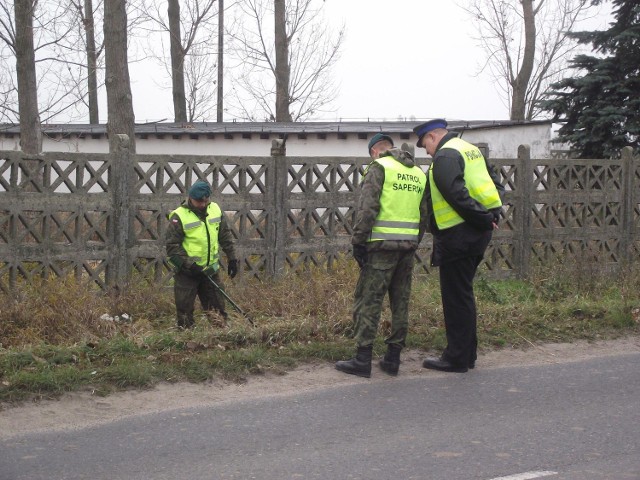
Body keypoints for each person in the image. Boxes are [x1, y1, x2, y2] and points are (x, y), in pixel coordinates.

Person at [413, 119, 504, 372]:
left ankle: (456, 358)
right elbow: (495, 183)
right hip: (475, 233)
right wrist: (493, 213)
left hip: (459, 235)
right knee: (464, 295)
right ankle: (467, 354)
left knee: (456, 298)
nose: (427, 152)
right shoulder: (470, 149)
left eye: (425, 146)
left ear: (432, 137)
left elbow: (455, 194)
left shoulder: (445, 156)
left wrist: (483, 217)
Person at [335, 133, 428, 378]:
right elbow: (424, 215)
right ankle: (393, 359)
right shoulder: (418, 173)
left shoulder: (379, 168)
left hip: (380, 248)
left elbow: (368, 209)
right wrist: (413, 242)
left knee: (369, 301)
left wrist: (358, 242)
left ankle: (362, 359)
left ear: (375, 152)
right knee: (400, 303)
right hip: (407, 248)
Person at [165, 180, 239, 329]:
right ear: (191, 198)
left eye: (206, 200)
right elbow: (172, 248)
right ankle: (186, 340)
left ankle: (221, 339)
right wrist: (190, 265)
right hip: (187, 273)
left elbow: (224, 235)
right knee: (184, 312)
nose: (203, 204)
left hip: (210, 271)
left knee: (218, 309)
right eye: (199, 201)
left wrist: (232, 258)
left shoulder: (215, 209)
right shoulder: (178, 216)